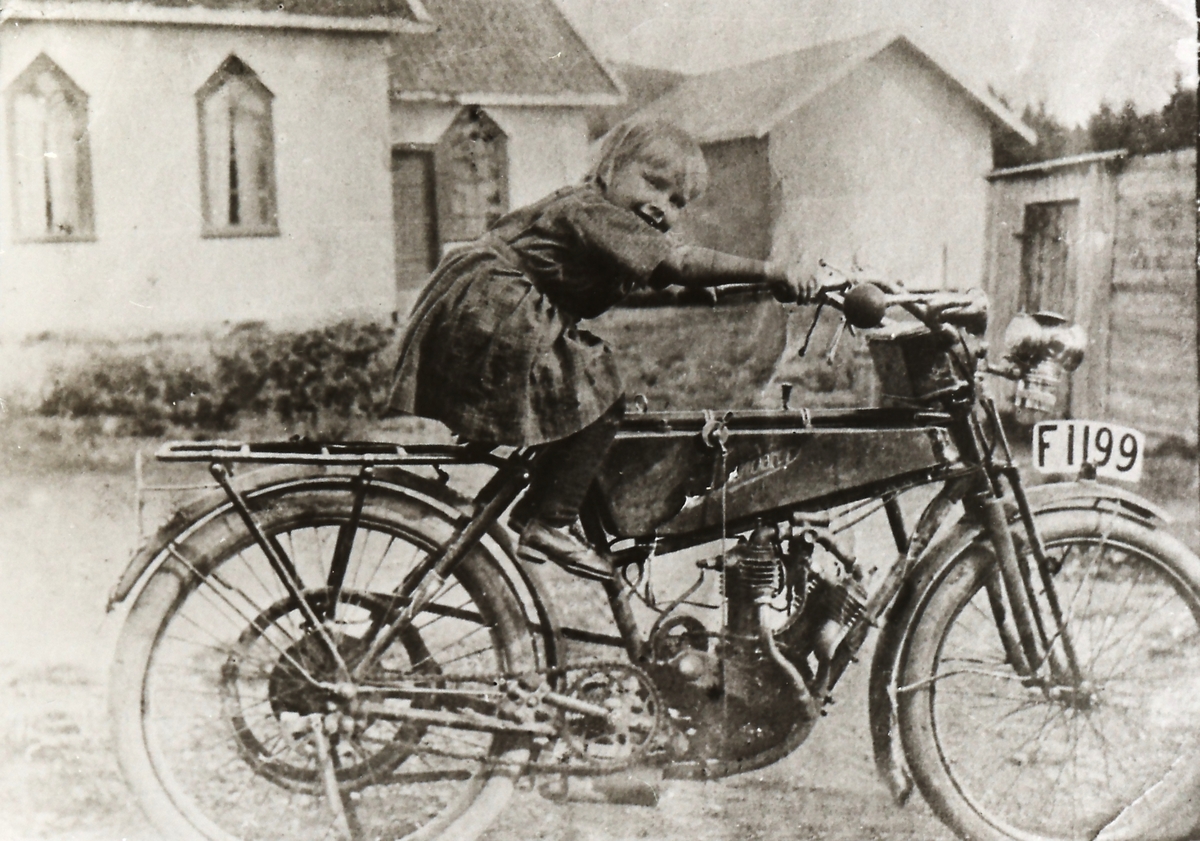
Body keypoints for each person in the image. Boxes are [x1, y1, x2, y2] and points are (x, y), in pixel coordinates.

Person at [388, 119, 824, 574]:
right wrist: (770, 271)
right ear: (610, 166)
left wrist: (708, 286)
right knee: (600, 385)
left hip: (488, 298)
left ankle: (545, 505)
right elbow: (679, 261)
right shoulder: (593, 210)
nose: (661, 206)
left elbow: (641, 275)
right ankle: (548, 519)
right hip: (498, 302)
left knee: (579, 387)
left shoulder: (599, 216)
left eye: (677, 202)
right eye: (653, 184)